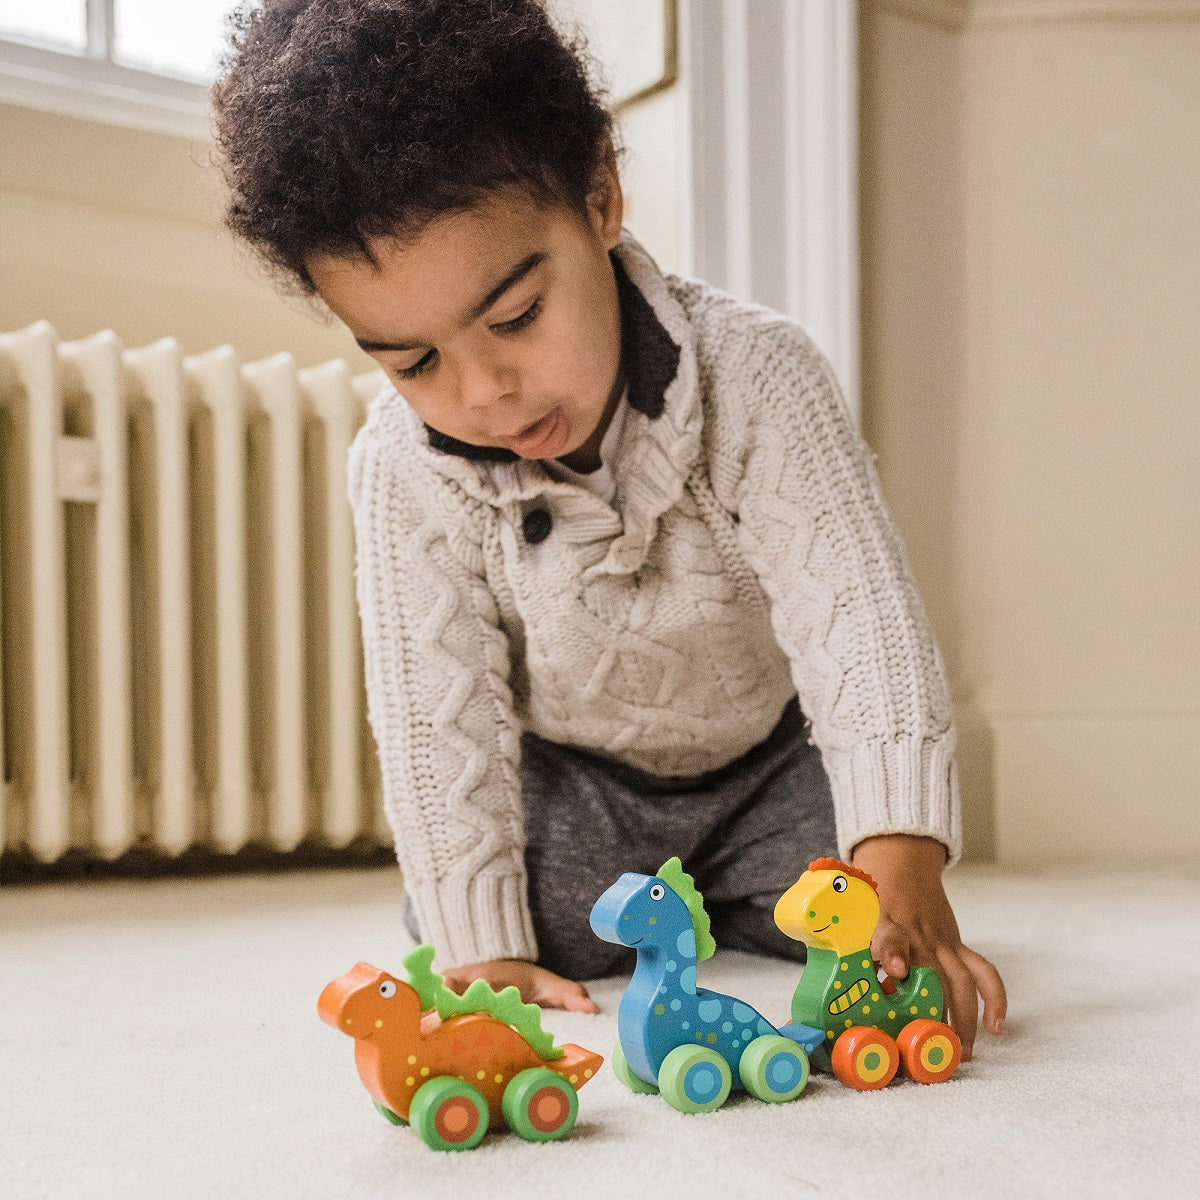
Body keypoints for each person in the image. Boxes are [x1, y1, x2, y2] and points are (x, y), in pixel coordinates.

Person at [211, 0, 1006, 1059]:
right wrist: (479, 948)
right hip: (577, 785)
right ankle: (683, 913)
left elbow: (857, 621)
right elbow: (437, 723)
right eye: (413, 363)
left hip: (772, 768)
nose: (485, 390)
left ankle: (733, 898)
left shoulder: (760, 377)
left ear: (599, 196)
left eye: (516, 318)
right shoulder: (401, 469)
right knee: (472, 906)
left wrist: (901, 863)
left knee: (856, 894)